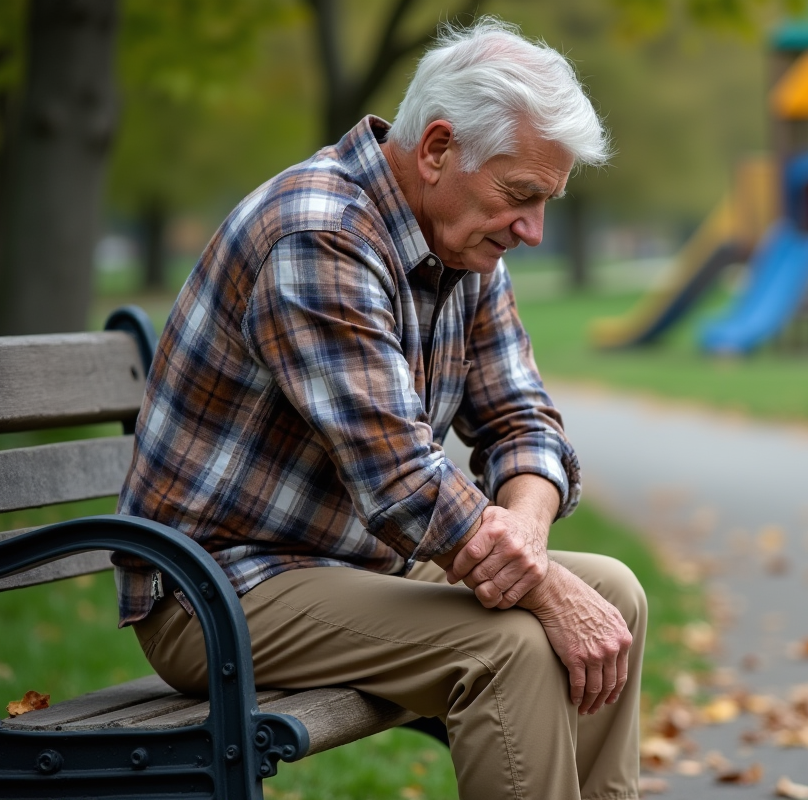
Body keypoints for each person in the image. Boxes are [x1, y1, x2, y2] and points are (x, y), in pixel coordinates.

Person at [114, 17, 646, 800]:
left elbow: (523, 422)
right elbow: (402, 484)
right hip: (222, 587)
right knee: (512, 646)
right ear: (437, 149)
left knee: (612, 596)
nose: (532, 230)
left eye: (546, 203)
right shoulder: (317, 235)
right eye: (521, 195)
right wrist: (537, 586)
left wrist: (526, 534)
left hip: (353, 560)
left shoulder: (463, 238)